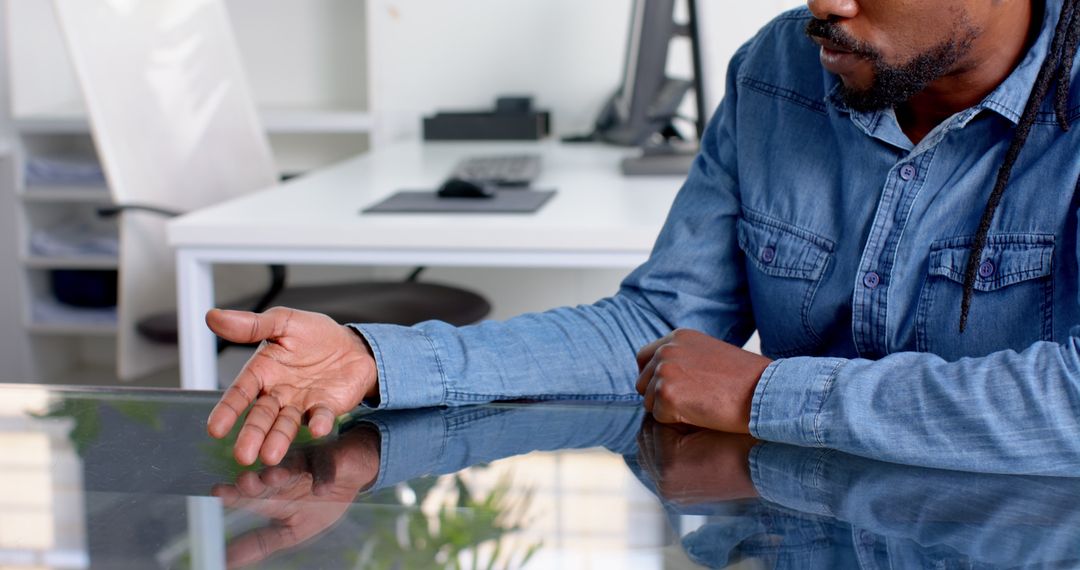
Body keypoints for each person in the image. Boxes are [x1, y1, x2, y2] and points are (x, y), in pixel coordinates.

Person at [206, 0, 1080, 473]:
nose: (824, 6)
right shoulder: (777, 71)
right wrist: (377, 358)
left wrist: (762, 395)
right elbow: (654, 329)